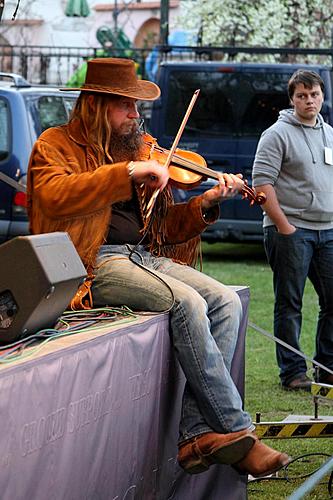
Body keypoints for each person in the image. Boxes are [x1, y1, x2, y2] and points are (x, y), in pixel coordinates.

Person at [27, 57, 289, 477]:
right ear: (97, 105)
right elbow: (56, 195)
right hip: (93, 265)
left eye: (137, 107)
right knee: (186, 302)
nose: (137, 116)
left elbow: (159, 229)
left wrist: (204, 205)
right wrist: (127, 171)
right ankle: (240, 432)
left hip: (141, 257)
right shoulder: (55, 146)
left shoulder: (136, 148)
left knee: (224, 301)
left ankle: (196, 432)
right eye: (127, 107)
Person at [252, 69, 333, 391]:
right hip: (292, 230)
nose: (309, 100)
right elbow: (261, 184)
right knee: (290, 303)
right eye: (302, 95)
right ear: (292, 99)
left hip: (328, 231)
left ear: (322, 96)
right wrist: (285, 226)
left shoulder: (330, 133)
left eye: (314, 94)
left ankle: (326, 368)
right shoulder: (276, 134)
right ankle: (292, 372)